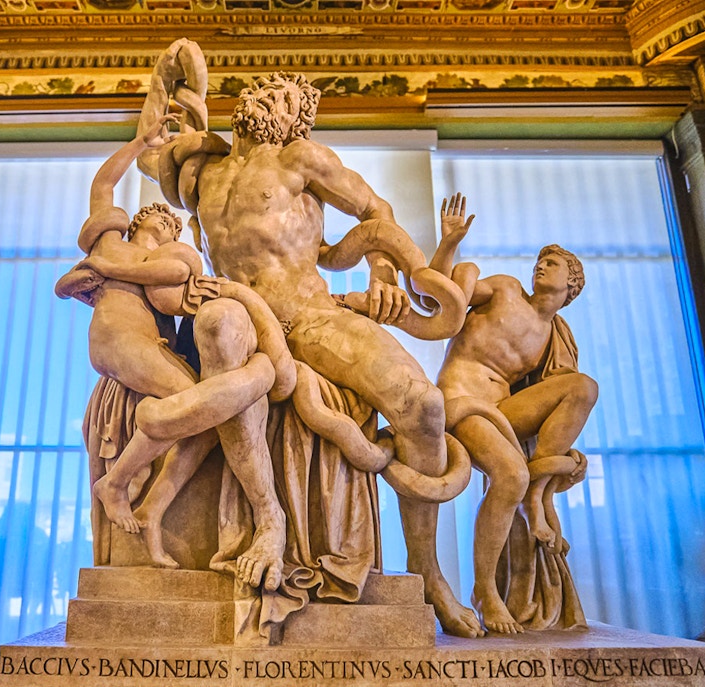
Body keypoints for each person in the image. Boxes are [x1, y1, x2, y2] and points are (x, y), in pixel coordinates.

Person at [137, 58, 482, 637]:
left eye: (287, 100)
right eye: (265, 91)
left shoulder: (302, 158)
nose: (272, 101)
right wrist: (173, 75)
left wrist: (382, 274)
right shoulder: (203, 172)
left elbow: (376, 212)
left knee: (422, 405)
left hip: (310, 315)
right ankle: (268, 518)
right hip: (245, 315)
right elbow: (151, 147)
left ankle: (427, 569)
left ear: (299, 121)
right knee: (218, 324)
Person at [57, 114, 292, 579]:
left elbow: (173, 288)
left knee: (206, 419)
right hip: (118, 343)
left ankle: (152, 510)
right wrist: (138, 143)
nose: (171, 226)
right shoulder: (113, 242)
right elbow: (103, 186)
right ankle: (116, 482)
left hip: (149, 344)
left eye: (175, 227)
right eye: (165, 220)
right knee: (196, 407)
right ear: (145, 219)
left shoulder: (132, 260)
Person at [429, 200, 596, 633]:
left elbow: (560, 403)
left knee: (583, 387)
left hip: (504, 411)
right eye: (541, 260)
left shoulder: (553, 337)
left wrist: (562, 461)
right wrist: (449, 243)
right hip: (461, 401)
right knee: (509, 475)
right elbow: (443, 293)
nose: (541, 267)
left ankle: (538, 492)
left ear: (571, 284)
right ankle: (484, 590)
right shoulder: (503, 289)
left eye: (553, 263)